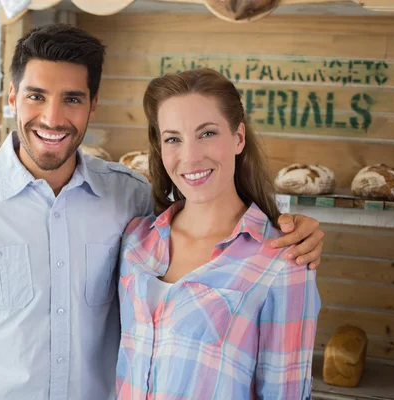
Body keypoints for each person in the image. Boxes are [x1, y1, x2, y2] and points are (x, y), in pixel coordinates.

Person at [0, 24, 324, 400]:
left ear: (93, 105)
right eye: (36, 96)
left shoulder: (131, 200)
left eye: (72, 99)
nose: (52, 116)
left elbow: (210, 213)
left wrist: (291, 227)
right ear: (12, 97)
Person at [115, 68, 320, 399]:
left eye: (207, 133)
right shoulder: (135, 241)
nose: (190, 156)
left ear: (238, 138)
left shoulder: (284, 261)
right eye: (173, 139)